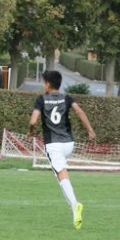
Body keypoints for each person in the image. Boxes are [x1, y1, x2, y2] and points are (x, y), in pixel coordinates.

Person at [27, 69, 96, 229]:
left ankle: (75, 205)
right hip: (69, 144)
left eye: (43, 82)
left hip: (53, 144)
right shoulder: (67, 98)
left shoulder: (41, 100)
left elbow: (33, 121)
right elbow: (79, 111)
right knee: (58, 174)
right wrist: (90, 130)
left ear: (48, 84)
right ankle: (73, 208)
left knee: (62, 174)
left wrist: (31, 132)